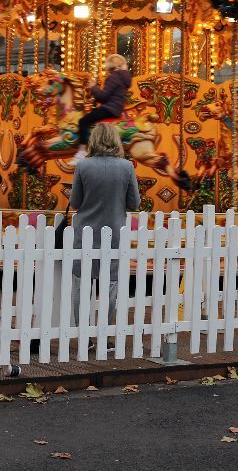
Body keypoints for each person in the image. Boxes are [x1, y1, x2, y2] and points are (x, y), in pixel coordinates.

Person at [68, 121, 141, 340]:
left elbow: (75, 202)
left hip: (86, 233)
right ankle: (105, 333)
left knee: (82, 283)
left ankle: (84, 334)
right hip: (114, 232)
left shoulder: (83, 166)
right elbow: (134, 203)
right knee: (110, 284)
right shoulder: (127, 167)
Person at [74, 54, 132, 160]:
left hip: (110, 109)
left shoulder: (114, 76)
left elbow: (103, 97)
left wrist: (93, 87)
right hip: (116, 108)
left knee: (83, 121)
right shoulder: (123, 77)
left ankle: (81, 151)